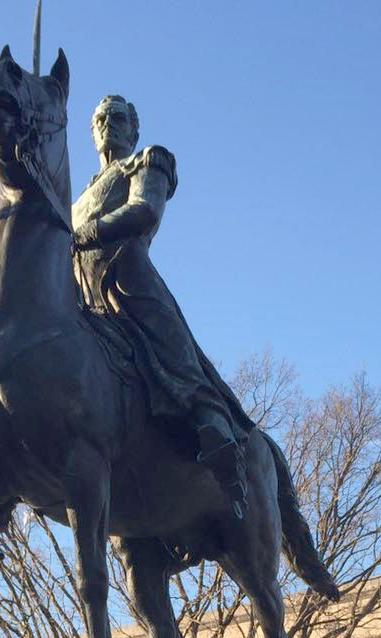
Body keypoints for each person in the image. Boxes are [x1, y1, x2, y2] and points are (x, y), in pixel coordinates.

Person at [72, 94, 253, 518]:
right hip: (83, 296)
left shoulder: (148, 160)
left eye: (117, 117)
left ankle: (212, 422)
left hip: (124, 276)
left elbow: (144, 211)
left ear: (134, 129)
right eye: (99, 118)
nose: (107, 124)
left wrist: (84, 234)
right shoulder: (78, 195)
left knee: (168, 341)